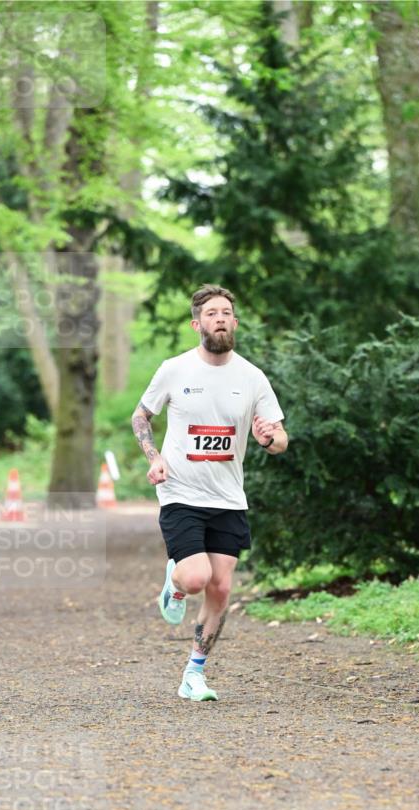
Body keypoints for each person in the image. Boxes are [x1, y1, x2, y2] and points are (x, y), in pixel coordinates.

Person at [131, 284, 288, 702]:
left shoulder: (252, 377)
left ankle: (193, 674)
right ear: (197, 323)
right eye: (212, 313)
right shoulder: (175, 369)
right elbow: (141, 416)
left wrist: (270, 438)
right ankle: (177, 582)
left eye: (227, 313)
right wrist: (153, 457)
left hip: (228, 498)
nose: (220, 318)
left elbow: (279, 437)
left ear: (234, 323)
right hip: (181, 492)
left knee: (221, 589)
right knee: (197, 577)